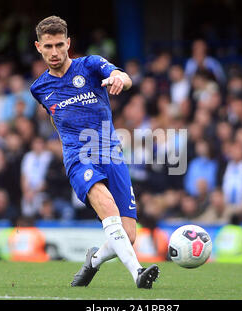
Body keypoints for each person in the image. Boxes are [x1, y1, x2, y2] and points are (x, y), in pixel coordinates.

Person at [30, 16, 159, 289]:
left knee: (129, 234)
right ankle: (138, 273)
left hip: (111, 154)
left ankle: (93, 260)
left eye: (58, 45)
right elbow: (56, 119)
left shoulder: (89, 65)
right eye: (48, 46)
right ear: (38, 47)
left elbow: (123, 76)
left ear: (68, 43)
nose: (54, 53)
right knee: (108, 209)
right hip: (79, 158)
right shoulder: (39, 88)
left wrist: (117, 79)